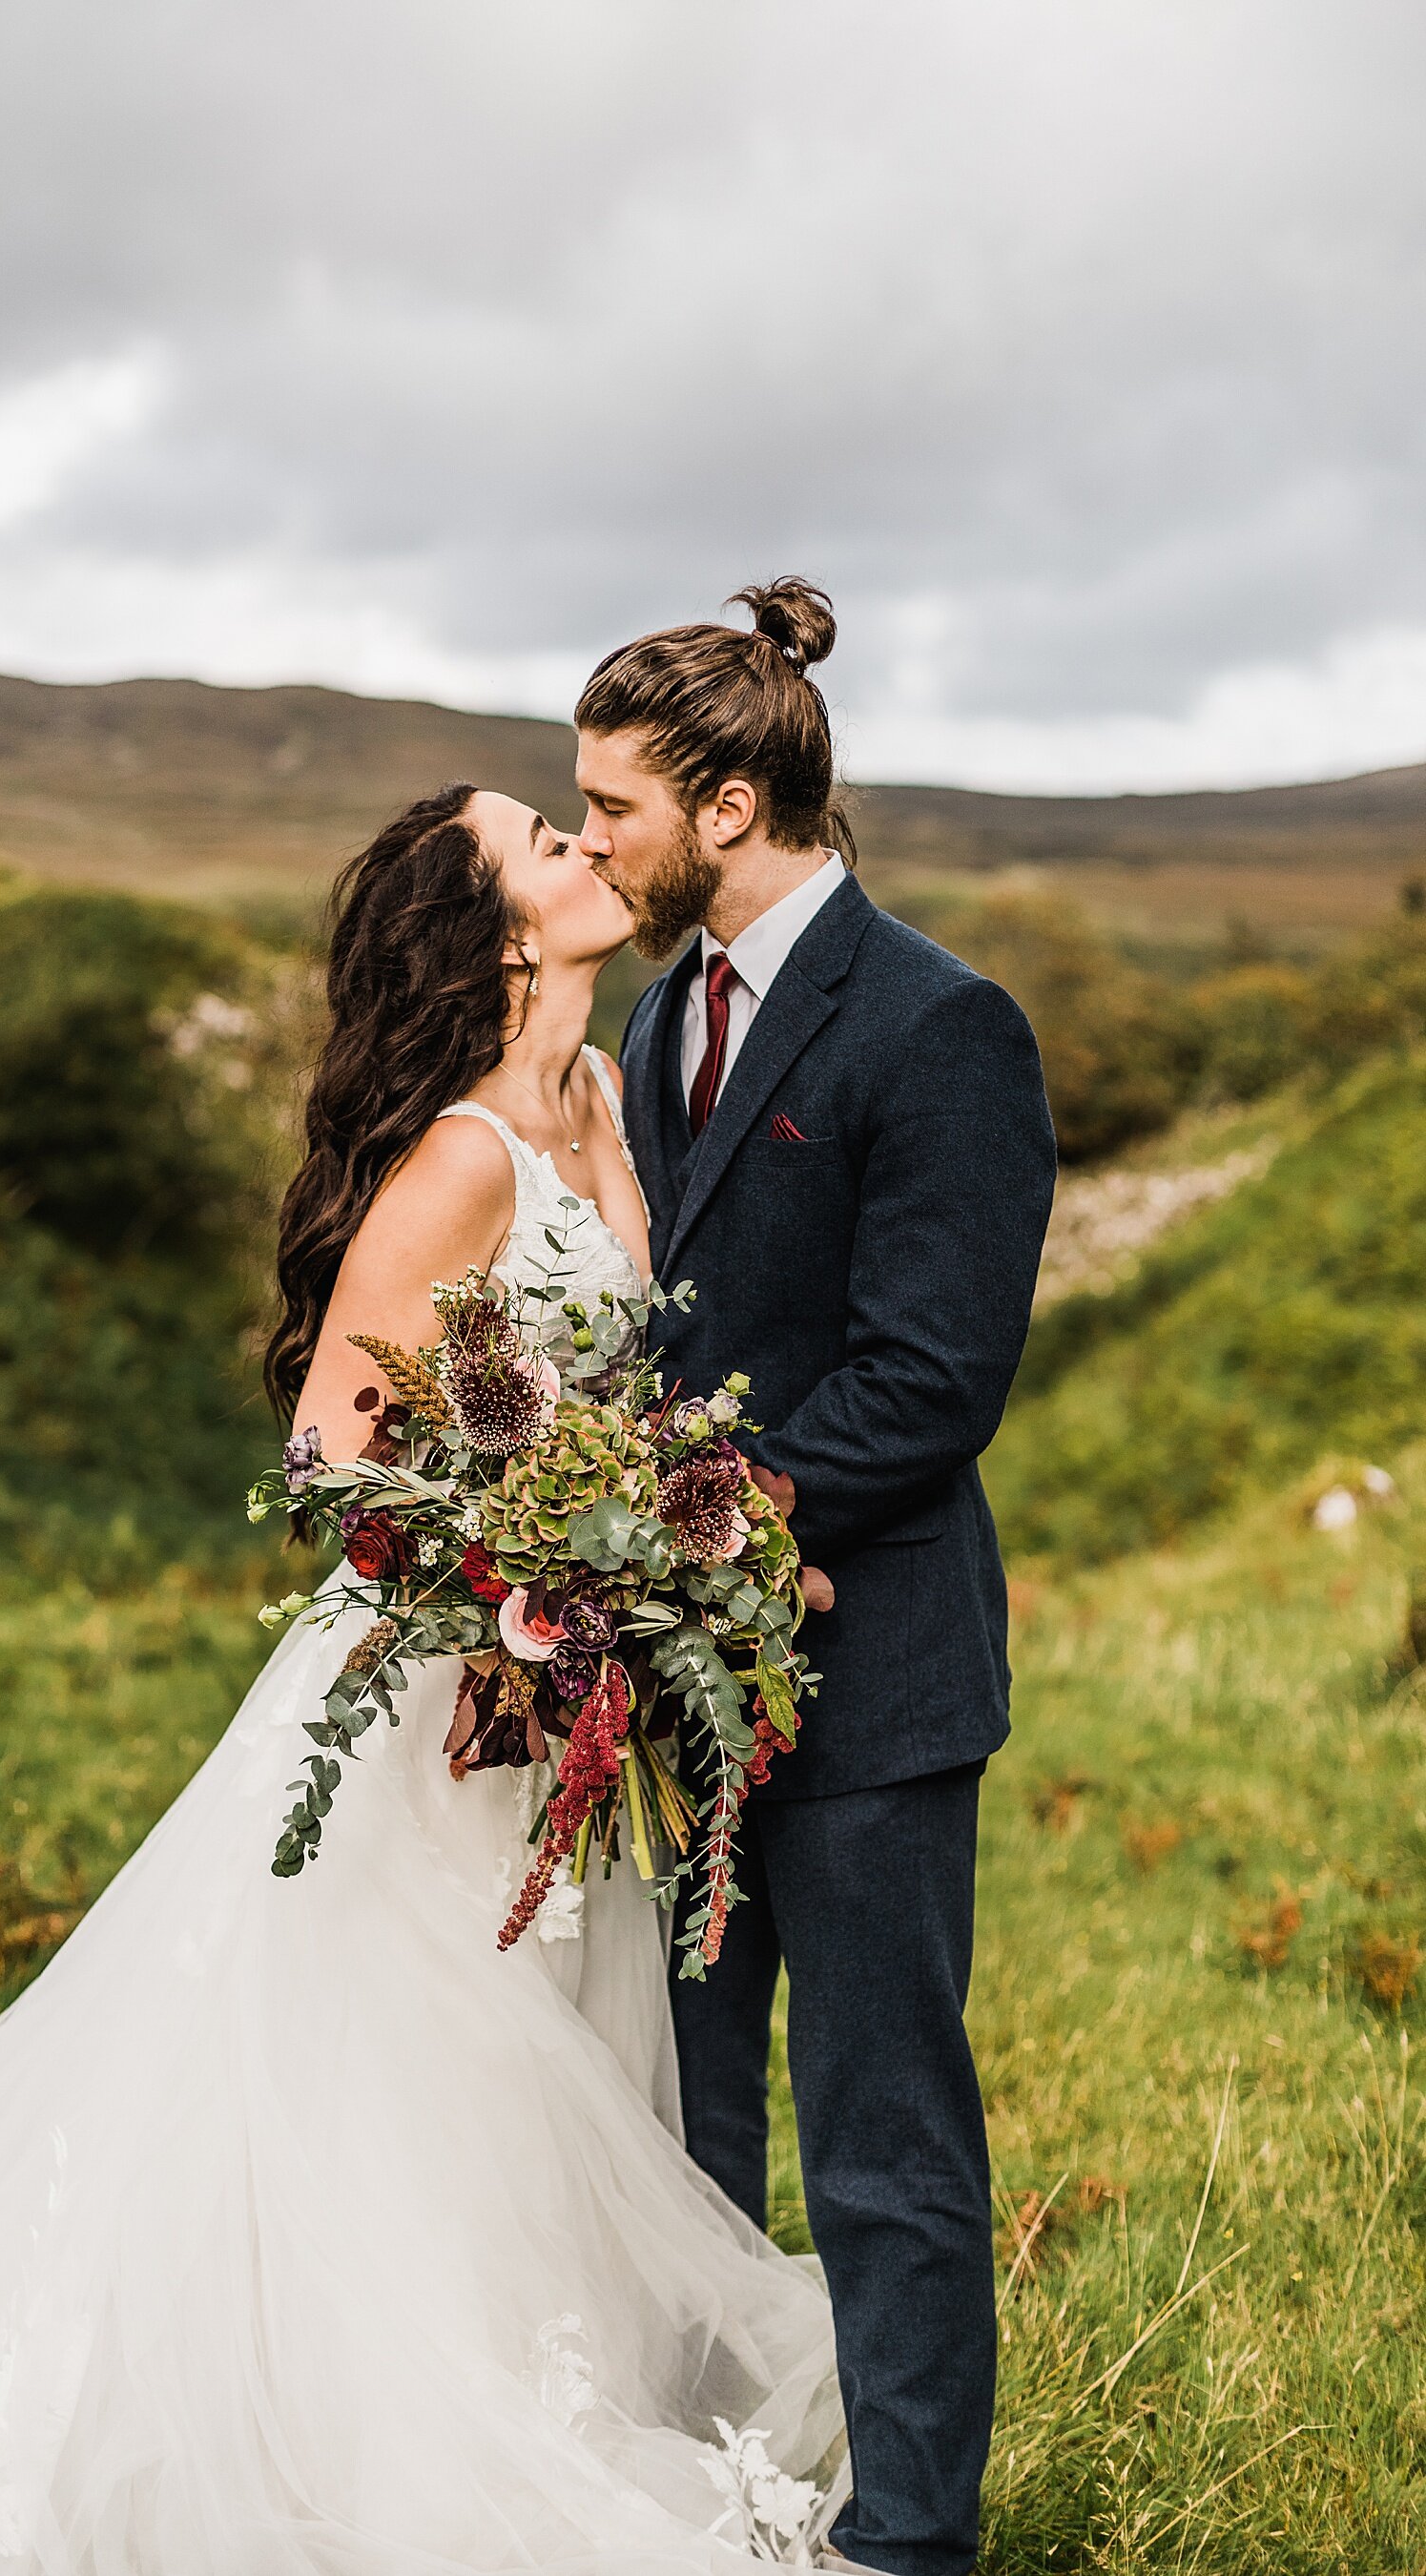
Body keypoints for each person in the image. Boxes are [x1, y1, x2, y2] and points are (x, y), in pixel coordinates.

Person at [0, 781, 847, 2572]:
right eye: (544, 840)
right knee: (410, 2086)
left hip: (573, 1705)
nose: (581, 849)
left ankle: (526, 2401)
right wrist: (512, 1586)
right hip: (432, 1709)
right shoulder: (468, 1151)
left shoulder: (612, 1096)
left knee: (540, 2086)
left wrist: (624, 1578)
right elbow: (333, 1445)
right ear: (491, 932)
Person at [577, 580, 1057, 2576]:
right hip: (680, 1710)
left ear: (742, 798)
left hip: (868, 1696)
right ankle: (727, 2508)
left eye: (615, 804)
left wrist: (674, 1531)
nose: (591, 838)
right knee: (682, 2141)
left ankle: (910, 2542)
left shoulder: (943, 1026)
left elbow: (930, 1385)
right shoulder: (654, 1016)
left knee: (884, 2145)